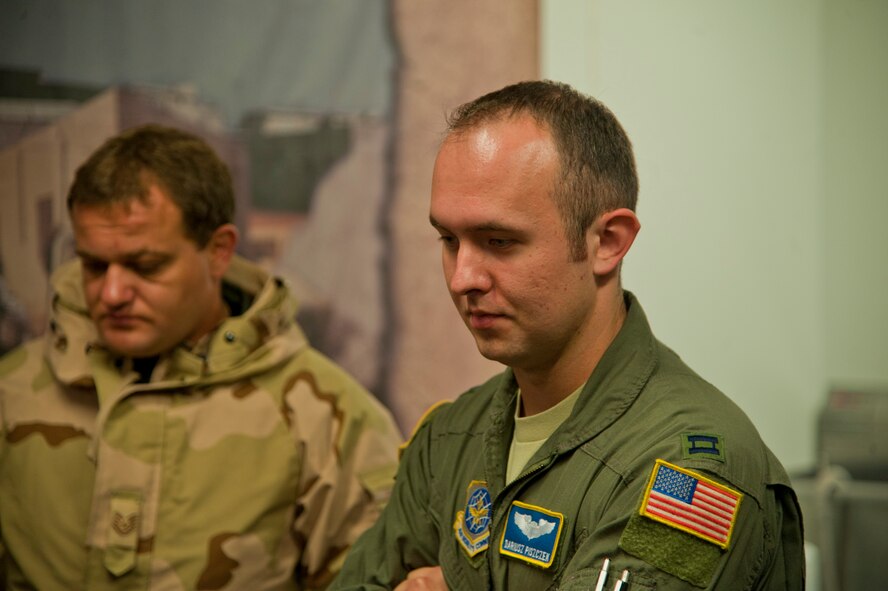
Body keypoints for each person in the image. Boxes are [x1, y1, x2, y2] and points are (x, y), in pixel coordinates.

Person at [331, 80, 804, 590]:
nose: (462, 276)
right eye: (449, 240)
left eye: (499, 241)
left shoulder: (687, 470)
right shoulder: (449, 440)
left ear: (607, 242)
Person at [0, 124, 402, 590]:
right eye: (93, 265)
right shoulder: (13, 392)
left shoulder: (329, 419)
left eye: (145, 266)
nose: (111, 292)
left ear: (218, 252)